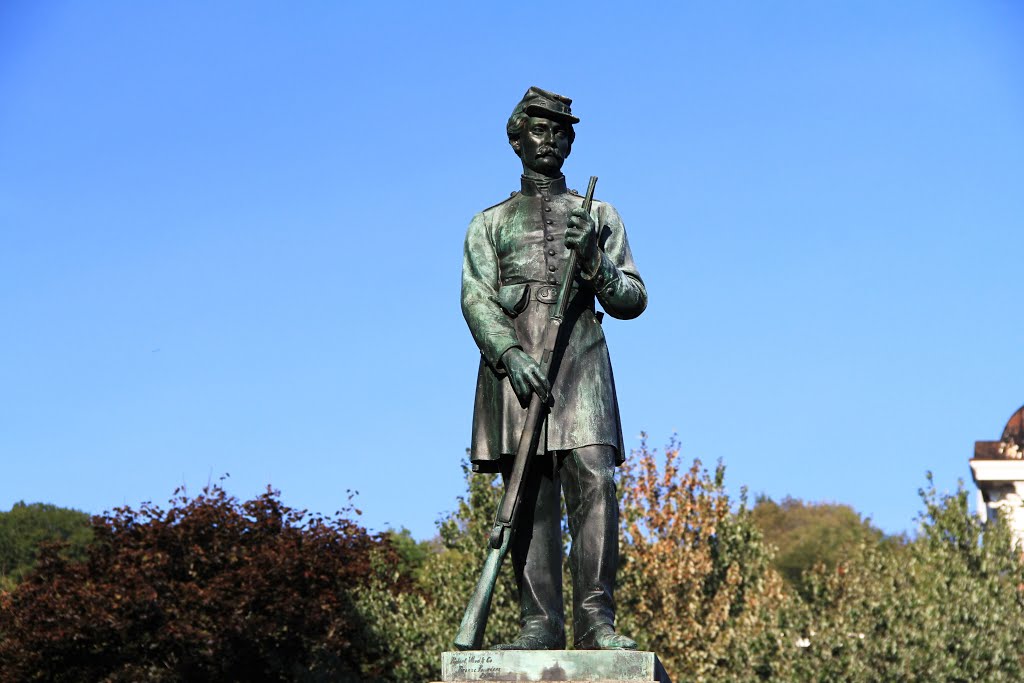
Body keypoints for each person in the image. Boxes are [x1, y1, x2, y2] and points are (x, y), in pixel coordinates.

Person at [461, 87, 647, 650]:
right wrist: (509, 355)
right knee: (529, 496)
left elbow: (632, 299)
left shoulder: (599, 216)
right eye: (539, 130)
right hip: (516, 373)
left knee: (595, 479)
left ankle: (597, 621)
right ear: (516, 139)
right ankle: (538, 624)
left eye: (561, 131)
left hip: (580, 363)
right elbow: (476, 298)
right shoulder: (488, 224)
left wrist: (595, 262)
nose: (551, 140)